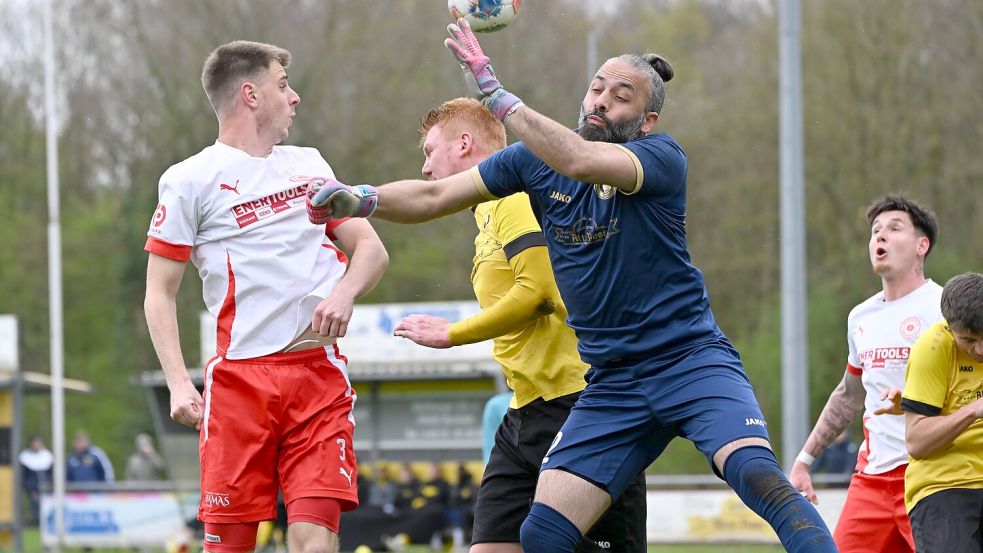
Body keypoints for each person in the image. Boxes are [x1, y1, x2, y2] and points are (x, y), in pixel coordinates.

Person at [306, 19, 835, 553]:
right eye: (596, 88)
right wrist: (361, 199)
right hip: (612, 385)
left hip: (689, 361)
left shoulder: (661, 158)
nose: (601, 102)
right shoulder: (530, 164)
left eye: (621, 96)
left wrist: (498, 95)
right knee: (542, 534)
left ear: (647, 122)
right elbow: (431, 198)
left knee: (755, 476)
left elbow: (579, 160)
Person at [143, 40, 388, 553]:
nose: (294, 97)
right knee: (229, 547)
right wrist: (177, 384)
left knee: (313, 542)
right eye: (283, 85)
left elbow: (371, 250)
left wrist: (344, 294)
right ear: (250, 95)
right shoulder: (189, 179)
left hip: (318, 377)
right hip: (239, 388)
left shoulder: (310, 164)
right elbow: (159, 294)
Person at [390, 97, 647, 552]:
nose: (427, 169)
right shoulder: (489, 211)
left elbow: (540, 293)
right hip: (525, 410)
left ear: (464, 144)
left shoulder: (511, 197)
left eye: (430, 152)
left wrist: (451, 334)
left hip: (580, 402)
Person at [788, 194, 941, 552]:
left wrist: (915, 405)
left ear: (922, 245)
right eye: (875, 231)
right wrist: (803, 461)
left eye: (894, 228)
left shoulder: (944, 307)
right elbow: (849, 394)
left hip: (928, 478)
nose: (880, 237)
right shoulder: (861, 317)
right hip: (870, 482)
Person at [899, 272, 983, 553]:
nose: (980, 349)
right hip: (945, 483)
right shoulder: (933, 347)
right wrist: (972, 411)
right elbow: (916, 442)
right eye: (968, 339)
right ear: (949, 328)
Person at [19, 434, 53, 525]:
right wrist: (29, 489)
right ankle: (34, 522)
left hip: (46, 488)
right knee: (34, 507)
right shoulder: (25, 457)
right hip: (32, 489)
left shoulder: (47, 456)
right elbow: (24, 476)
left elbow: (51, 474)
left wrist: (50, 486)